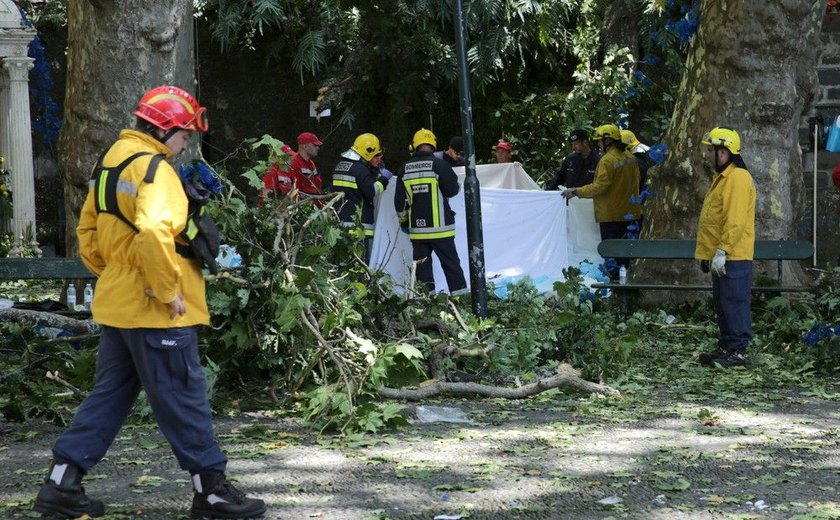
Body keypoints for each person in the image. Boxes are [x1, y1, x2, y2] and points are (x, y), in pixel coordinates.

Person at [33, 86, 266, 519]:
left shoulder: (111, 161)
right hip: (158, 309)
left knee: (109, 396)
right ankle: (212, 491)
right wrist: (166, 290)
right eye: (183, 136)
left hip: (120, 303)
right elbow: (156, 231)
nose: (184, 146)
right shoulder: (155, 169)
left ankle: (61, 483)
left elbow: (87, 232)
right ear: (164, 128)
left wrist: (117, 273)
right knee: (183, 396)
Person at [695, 127, 756, 368]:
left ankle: (737, 351)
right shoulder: (723, 179)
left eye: (711, 150)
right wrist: (708, 254)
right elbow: (714, 220)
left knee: (734, 301)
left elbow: (735, 219)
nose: (708, 155)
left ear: (724, 152)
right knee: (723, 302)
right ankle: (727, 345)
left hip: (734, 255)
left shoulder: (737, 178)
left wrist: (723, 250)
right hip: (722, 254)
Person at [561, 124, 642, 277]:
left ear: (608, 140)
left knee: (612, 258)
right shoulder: (631, 158)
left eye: (599, 141)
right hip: (631, 214)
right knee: (628, 256)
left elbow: (599, 187)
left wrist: (576, 191)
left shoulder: (607, 161)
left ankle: (615, 289)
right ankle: (628, 286)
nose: (598, 144)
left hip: (612, 216)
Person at [395, 128, 467, 295]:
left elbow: (399, 203)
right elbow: (452, 190)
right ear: (433, 146)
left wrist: (405, 222)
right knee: (451, 265)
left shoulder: (403, 170)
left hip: (418, 232)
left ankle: (426, 304)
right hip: (442, 230)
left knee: (422, 269)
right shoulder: (440, 165)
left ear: (414, 146)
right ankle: (461, 301)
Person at [330, 133, 390, 262]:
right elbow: (371, 191)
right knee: (360, 266)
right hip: (359, 227)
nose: (379, 159)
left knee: (342, 264)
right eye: (376, 155)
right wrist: (384, 179)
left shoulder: (340, 166)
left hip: (339, 224)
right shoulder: (361, 170)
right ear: (367, 153)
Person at [262, 131, 324, 202]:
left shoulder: (288, 171)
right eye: (285, 156)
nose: (289, 159)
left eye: (290, 156)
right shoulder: (272, 172)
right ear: (277, 158)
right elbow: (266, 198)